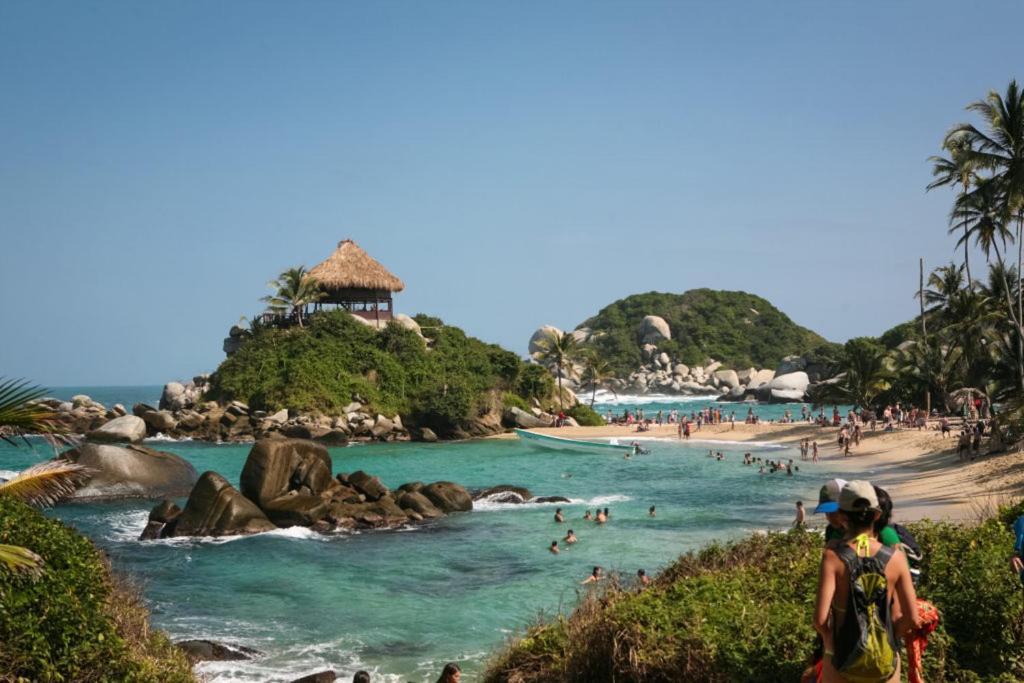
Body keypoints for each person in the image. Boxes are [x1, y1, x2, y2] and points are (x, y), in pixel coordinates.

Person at [813, 481, 920, 683]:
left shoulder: (832, 557)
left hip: (841, 657)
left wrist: (829, 643)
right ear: (877, 514)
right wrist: (890, 637)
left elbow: (819, 620)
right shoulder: (896, 558)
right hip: (885, 661)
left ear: (843, 517)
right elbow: (912, 618)